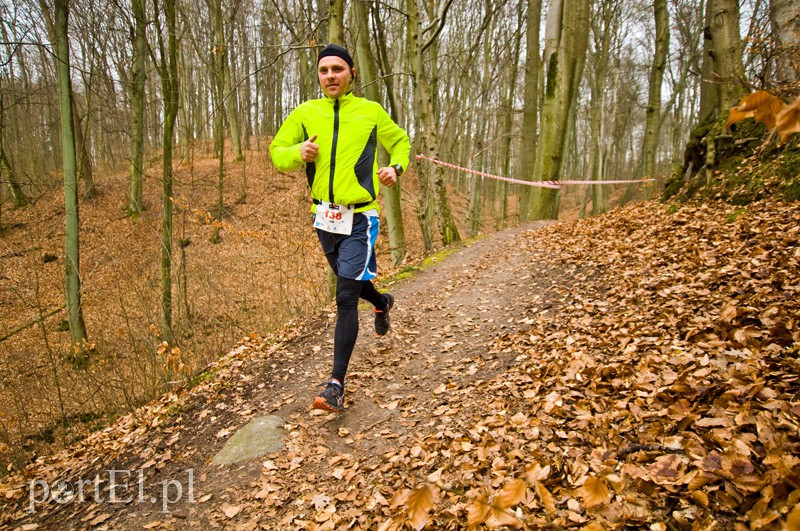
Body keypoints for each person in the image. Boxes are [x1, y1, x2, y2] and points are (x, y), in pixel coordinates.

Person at [269, 43, 411, 413]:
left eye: (338, 69)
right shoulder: (305, 113)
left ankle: (335, 384)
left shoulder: (370, 112)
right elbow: (276, 151)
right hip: (325, 217)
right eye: (324, 70)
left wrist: (395, 169)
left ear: (351, 74)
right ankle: (382, 303)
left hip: (361, 216)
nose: (330, 76)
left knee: (345, 297)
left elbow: (400, 142)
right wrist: (297, 152)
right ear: (318, 75)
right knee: (353, 282)